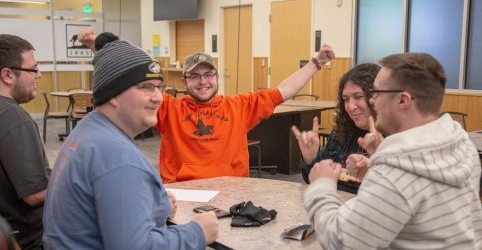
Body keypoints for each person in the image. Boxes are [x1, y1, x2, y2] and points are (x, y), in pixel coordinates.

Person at [77, 27, 335, 183]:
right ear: (185, 79)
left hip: (232, 191)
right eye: (195, 76)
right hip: (182, 192)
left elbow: (285, 90)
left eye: (208, 74)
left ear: (217, 77)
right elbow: (127, 81)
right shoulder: (169, 107)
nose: (203, 82)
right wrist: (96, 50)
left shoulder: (239, 106)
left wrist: (315, 63)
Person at [43, 33, 219, 249]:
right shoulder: (119, 159)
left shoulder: (88, 131)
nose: (158, 97)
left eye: (159, 87)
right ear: (113, 94)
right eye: (145, 87)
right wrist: (197, 232)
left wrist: (156, 208)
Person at [304, 53, 482, 249]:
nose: (373, 101)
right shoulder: (461, 143)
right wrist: (374, 167)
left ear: (403, 100)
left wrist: (321, 187)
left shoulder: (395, 173)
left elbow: (339, 241)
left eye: (376, 93)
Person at [0, 34, 50, 249]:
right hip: (20, 241)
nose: (39, 75)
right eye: (33, 69)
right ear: (7, 75)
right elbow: (35, 194)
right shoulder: (12, 118)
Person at [291, 63, 381, 194]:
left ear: (376, 97)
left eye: (358, 97)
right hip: (333, 206)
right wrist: (310, 158)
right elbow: (313, 180)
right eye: (346, 99)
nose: (351, 106)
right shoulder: (342, 131)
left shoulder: (394, 137)